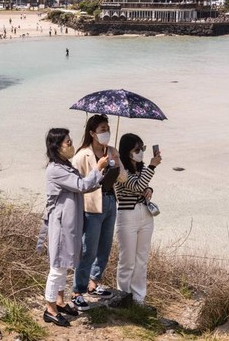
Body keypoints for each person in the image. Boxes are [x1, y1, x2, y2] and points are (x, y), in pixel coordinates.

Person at [39, 128, 109, 327]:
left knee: (65, 263)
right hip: (61, 225)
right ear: (57, 147)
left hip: (69, 223)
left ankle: (59, 301)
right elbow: (80, 185)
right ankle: (50, 309)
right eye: (67, 143)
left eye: (70, 141)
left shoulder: (65, 165)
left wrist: (103, 172)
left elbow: (84, 185)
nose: (71, 145)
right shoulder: (55, 169)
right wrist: (97, 169)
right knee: (58, 267)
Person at [71, 114, 126, 310]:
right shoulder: (82, 155)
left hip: (110, 200)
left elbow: (123, 179)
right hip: (92, 205)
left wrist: (117, 162)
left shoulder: (112, 151)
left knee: (105, 245)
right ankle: (78, 290)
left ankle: (94, 282)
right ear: (92, 133)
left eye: (108, 128)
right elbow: (76, 183)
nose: (107, 132)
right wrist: (99, 165)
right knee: (88, 249)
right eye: (103, 129)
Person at [114, 133, 161, 304]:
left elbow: (143, 186)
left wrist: (150, 190)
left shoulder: (139, 169)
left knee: (142, 259)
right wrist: (152, 166)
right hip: (127, 214)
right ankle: (123, 296)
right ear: (127, 152)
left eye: (142, 148)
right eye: (137, 149)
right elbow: (136, 185)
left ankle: (138, 299)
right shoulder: (120, 170)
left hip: (145, 214)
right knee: (127, 259)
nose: (140, 152)